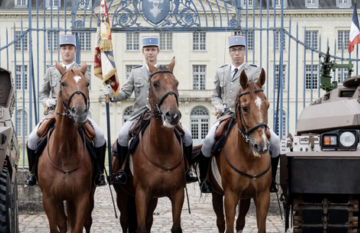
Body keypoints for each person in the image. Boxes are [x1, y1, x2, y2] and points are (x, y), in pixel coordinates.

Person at [110, 34, 197, 186]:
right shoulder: (135, 72)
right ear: (143, 52)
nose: (150, 52)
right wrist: (111, 94)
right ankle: (122, 171)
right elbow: (125, 92)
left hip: (162, 115)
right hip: (139, 114)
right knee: (123, 136)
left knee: (188, 136)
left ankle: (187, 170)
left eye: (153, 49)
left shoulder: (166, 71)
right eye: (147, 49)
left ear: (158, 51)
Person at [198, 34, 280, 193]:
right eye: (234, 50)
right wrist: (218, 105)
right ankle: (205, 180)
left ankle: (271, 183)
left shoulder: (254, 71)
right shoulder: (221, 72)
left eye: (240, 50)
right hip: (227, 115)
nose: (237, 53)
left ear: (245, 51)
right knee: (208, 141)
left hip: (251, 116)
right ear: (229, 52)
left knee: (275, 142)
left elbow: (257, 95)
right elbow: (215, 94)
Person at [25, 32, 107, 187]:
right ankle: (33, 174)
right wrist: (47, 101)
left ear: (75, 50)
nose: (67, 51)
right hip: (54, 114)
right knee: (32, 139)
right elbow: (42, 93)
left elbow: (86, 94)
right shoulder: (51, 70)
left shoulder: (82, 69)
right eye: (64, 48)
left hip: (79, 115)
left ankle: (98, 174)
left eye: (70, 48)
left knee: (100, 137)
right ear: (60, 50)